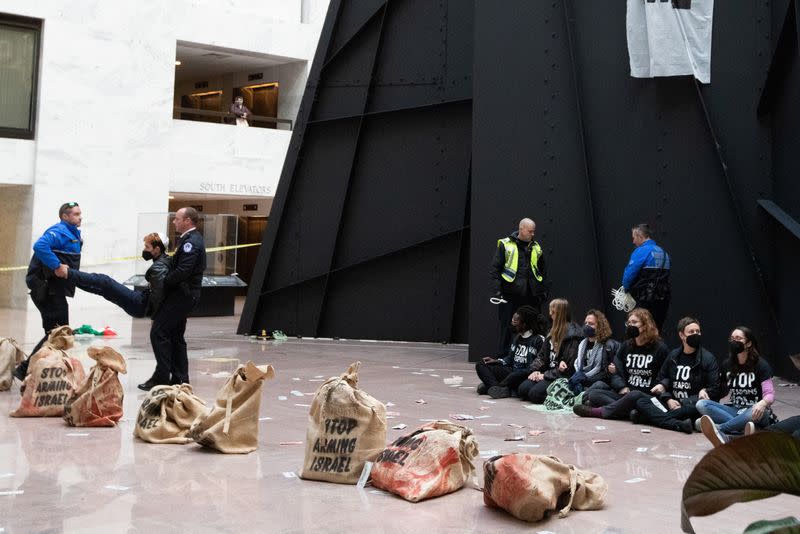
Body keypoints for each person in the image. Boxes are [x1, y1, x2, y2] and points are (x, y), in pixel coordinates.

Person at [14, 202, 83, 381]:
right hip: (46, 289)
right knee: (58, 333)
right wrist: (57, 266)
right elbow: (40, 246)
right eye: (75, 214)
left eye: (79, 214)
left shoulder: (72, 234)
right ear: (65, 216)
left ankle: (43, 371)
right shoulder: (59, 231)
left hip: (55, 290)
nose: (79, 217)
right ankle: (25, 369)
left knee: (55, 333)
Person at [142, 208, 206, 390]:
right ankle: (180, 379)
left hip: (182, 295)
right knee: (176, 336)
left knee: (159, 332)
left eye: (176, 219)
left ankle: (162, 377)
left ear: (187, 220)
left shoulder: (191, 242)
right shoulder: (189, 240)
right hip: (184, 294)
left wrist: (165, 282)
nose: (174, 222)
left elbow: (184, 270)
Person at [574, 308, 669, 420]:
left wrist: (662, 384)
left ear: (644, 326)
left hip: (646, 396)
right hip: (626, 393)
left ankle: (601, 412)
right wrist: (621, 386)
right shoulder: (626, 346)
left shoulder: (660, 348)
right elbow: (615, 371)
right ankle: (629, 412)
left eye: (634, 322)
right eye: (628, 323)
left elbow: (667, 373)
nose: (630, 325)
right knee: (594, 394)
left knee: (635, 395)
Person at [631, 316, 721, 434]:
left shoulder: (708, 358)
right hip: (671, 403)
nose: (695, 334)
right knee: (641, 401)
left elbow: (715, 389)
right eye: (691, 332)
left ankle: (652, 417)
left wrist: (690, 399)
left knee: (638, 413)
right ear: (682, 335)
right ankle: (678, 424)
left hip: (691, 405)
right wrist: (668, 399)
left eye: (697, 332)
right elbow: (660, 380)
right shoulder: (673, 356)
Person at [697, 326, 776, 447]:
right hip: (735, 410)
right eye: (732, 338)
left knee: (761, 412)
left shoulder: (761, 365)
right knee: (701, 405)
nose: (734, 342)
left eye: (738, 338)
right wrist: (705, 390)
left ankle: (720, 430)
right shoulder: (727, 364)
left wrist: (762, 403)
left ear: (748, 343)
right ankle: (743, 430)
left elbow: (770, 394)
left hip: (754, 411)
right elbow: (719, 389)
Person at [66, 233, 171, 318]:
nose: (144, 250)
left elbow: (158, 294)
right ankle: (69, 277)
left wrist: (156, 317)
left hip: (141, 304)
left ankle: (68, 274)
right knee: (103, 289)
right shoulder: (163, 261)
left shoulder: (159, 267)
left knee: (104, 282)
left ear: (157, 250)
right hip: (142, 301)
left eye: (147, 247)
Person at [489, 218, 549, 353]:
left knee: (536, 326)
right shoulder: (506, 244)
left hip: (531, 295)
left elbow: (543, 271)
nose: (533, 234)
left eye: (534, 232)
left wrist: (543, 290)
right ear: (521, 229)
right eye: (530, 231)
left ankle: (537, 356)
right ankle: (503, 358)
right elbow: (495, 269)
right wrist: (497, 290)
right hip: (510, 294)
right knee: (507, 327)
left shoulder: (536, 247)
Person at [517, 298, 582, 404]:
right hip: (548, 372)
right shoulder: (552, 331)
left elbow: (567, 368)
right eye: (550, 311)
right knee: (522, 390)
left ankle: (566, 397)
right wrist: (535, 370)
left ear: (560, 314)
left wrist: (545, 375)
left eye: (553, 312)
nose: (550, 314)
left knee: (534, 395)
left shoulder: (573, 336)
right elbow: (541, 356)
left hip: (560, 376)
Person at [475, 306, 545, 399]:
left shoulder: (538, 339)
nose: (512, 323)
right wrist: (498, 361)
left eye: (515, 322)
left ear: (524, 324)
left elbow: (537, 365)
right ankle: (495, 387)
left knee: (515, 376)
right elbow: (509, 358)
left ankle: (497, 387)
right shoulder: (517, 337)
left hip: (526, 374)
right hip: (512, 371)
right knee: (481, 364)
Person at [621, 223, 671, 331]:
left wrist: (626, 288)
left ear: (640, 236)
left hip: (645, 299)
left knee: (641, 330)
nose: (633, 241)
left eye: (634, 238)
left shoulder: (641, 251)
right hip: (663, 299)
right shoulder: (664, 252)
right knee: (656, 329)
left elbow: (629, 274)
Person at [568, 310, 620, 393]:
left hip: (600, 383)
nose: (587, 326)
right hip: (583, 380)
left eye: (591, 324)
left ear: (600, 326)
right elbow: (578, 366)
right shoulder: (582, 344)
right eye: (586, 323)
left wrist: (585, 378)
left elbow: (607, 374)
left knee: (597, 386)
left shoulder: (608, 345)